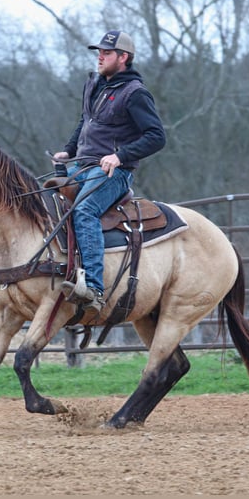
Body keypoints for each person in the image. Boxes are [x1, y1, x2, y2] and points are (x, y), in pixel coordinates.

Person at [54, 30, 166, 313]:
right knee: (49, 201)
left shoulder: (135, 93)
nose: (99, 56)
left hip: (114, 173)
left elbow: (156, 136)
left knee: (84, 211)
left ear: (123, 58)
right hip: (83, 165)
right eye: (98, 52)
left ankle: (93, 288)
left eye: (106, 52)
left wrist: (120, 156)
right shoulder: (94, 84)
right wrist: (68, 151)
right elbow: (86, 122)